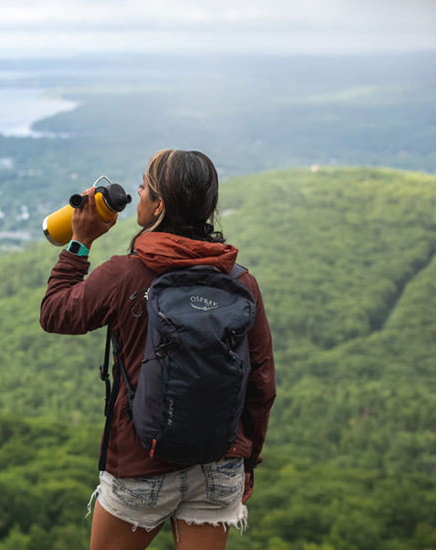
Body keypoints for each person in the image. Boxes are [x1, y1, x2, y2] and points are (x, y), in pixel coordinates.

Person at [40, 149, 276, 550]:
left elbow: (56, 314)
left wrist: (79, 242)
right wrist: (247, 460)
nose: (138, 192)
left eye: (144, 187)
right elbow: (261, 384)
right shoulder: (240, 282)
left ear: (159, 206)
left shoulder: (125, 274)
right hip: (220, 462)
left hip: (140, 463)